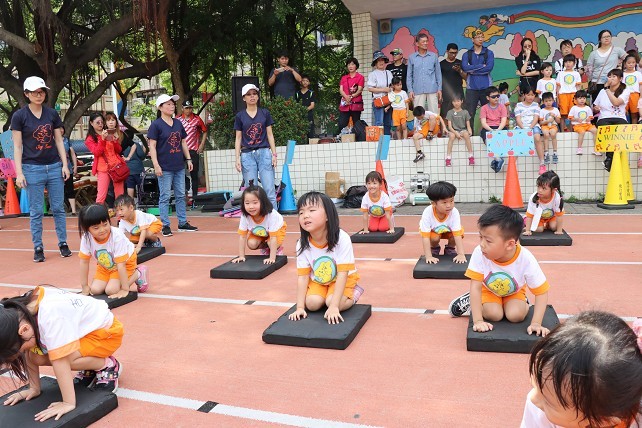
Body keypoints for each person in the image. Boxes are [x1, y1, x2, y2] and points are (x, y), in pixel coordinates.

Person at [0, 286, 124, 422]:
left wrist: (68, 403)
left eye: (19, 350)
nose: (21, 353)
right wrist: (33, 388)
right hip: (84, 332)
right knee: (35, 356)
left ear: (24, 330)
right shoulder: (18, 315)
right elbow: (29, 352)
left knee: (64, 359)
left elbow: (60, 361)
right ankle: (89, 365)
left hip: (106, 334)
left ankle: (107, 365)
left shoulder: (51, 318)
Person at [521, 311, 642, 428]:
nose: (534, 398)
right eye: (535, 383)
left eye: (549, 403)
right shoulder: (539, 412)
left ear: (602, 421)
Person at [448, 204, 550, 338]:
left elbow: (541, 292)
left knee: (516, 316)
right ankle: (471, 301)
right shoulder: (480, 252)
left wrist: (536, 323)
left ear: (510, 244)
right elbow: (476, 287)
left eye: (488, 240)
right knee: (494, 315)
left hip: (514, 291)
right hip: (488, 290)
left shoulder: (526, 259)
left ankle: (522, 301)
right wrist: (478, 321)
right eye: (480, 237)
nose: (482, 244)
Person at [11, 76, 71, 262]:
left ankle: (63, 243)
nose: (39, 95)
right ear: (26, 94)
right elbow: (17, 146)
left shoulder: (51, 114)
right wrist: (19, 173)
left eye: (42, 91)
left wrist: (65, 164)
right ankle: (38, 246)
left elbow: (59, 140)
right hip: (32, 168)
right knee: (36, 211)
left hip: (54, 167)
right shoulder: (19, 116)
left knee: (58, 208)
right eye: (35, 92)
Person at [288, 192, 364, 324]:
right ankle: (327, 296)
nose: (305, 215)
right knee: (311, 304)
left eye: (312, 210)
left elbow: (342, 273)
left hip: (343, 278)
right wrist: (300, 307)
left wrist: (334, 307)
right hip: (319, 280)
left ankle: (353, 295)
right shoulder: (302, 243)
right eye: (301, 212)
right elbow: (303, 277)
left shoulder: (342, 238)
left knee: (332, 302)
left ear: (328, 215)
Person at [148, 94, 198, 236]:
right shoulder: (156, 125)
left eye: (172, 104)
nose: (172, 106)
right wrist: (156, 165)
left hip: (178, 165)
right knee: (164, 196)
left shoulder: (178, 123)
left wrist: (188, 159)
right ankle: (165, 225)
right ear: (160, 107)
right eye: (168, 104)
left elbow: (183, 142)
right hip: (164, 167)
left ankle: (182, 223)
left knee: (181, 194)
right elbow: (152, 146)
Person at [78, 204, 149, 296]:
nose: (102, 230)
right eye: (96, 228)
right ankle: (112, 279)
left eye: (105, 224)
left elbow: (121, 264)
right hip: (105, 265)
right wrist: (84, 286)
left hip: (125, 263)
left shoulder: (117, 236)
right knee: (95, 290)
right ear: (87, 229)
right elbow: (84, 262)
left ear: (109, 221)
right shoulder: (86, 238)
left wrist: (125, 289)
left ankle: (138, 273)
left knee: (111, 290)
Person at [233, 84, 278, 208]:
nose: (252, 96)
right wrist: (237, 158)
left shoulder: (265, 113)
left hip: (264, 153)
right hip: (247, 155)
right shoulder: (240, 116)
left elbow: (270, 134)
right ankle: (254, 218)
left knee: (269, 190)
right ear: (244, 98)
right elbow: (238, 138)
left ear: (258, 96)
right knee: (251, 192)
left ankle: (273, 218)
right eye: (248, 94)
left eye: (254, 94)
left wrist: (274, 154)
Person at [231, 186, 286, 265]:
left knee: (271, 243)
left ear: (263, 202)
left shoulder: (271, 215)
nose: (251, 207)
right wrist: (241, 256)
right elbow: (242, 236)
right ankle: (266, 247)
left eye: (255, 202)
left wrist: (272, 258)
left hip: (276, 231)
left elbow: (273, 237)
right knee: (251, 244)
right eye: (247, 203)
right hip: (260, 232)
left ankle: (277, 249)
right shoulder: (245, 215)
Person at [419, 181, 466, 264]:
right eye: (444, 202)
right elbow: (425, 236)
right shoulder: (427, 213)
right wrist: (428, 256)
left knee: (459, 233)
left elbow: (457, 234)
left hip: (448, 231)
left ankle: (450, 248)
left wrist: (461, 254)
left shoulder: (454, 212)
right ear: (434, 203)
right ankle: (434, 248)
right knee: (434, 238)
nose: (449, 205)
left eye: (451, 201)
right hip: (434, 232)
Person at [85, 112, 125, 207]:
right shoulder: (90, 139)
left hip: (116, 166)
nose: (100, 124)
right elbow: (97, 152)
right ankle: (98, 215)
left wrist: (115, 141)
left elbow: (118, 150)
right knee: (101, 195)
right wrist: (102, 139)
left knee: (120, 194)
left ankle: (121, 215)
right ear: (91, 123)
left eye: (102, 122)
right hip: (103, 168)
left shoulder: (108, 132)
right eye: (97, 122)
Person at [594, 68, 630, 171]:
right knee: (606, 129)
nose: (611, 79)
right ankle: (610, 159)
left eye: (614, 76)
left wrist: (608, 90)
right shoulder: (602, 91)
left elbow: (616, 103)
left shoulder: (625, 91)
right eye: (609, 76)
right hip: (604, 117)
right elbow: (595, 106)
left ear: (620, 79)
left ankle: (609, 159)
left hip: (619, 118)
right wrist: (596, 108)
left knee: (619, 130)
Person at [462, 30, 495, 132]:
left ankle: (489, 133)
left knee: (489, 112)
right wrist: (481, 66)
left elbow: (488, 68)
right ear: (472, 39)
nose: (480, 39)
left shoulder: (489, 53)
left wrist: (472, 70)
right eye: (478, 37)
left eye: (482, 37)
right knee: (470, 113)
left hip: (486, 88)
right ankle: (470, 134)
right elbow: (465, 68)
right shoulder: (467, 54)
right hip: (472, 88)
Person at [178, 100, 207, 208]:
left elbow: (205, 131)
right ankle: (183, 197)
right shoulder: (177, 119)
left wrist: (201, 145)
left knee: (194, 175)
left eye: (190, 108)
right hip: (180, 151)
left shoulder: (197, 119)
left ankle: (195, 200)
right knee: (179, 174)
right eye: (186, 108)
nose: (188, 110)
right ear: (182, 108)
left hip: (193, 150)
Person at [407, 33, 442, 116]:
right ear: (417, 44)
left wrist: (439, 89)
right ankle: (419, 126)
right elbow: (409, 76)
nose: (426, 43)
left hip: (432, 89)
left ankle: (434, 125)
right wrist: (410, 90)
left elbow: (438, 74)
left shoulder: (433, 56)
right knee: (418, 114)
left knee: (434, 114)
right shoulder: (412, 57)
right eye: (423, 41)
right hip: (417, 89)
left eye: (426, 41)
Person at [586, 29, 627, 101]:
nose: (606, 38)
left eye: (608, 36)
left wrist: (620, 67)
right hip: (597, 83)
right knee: (597, 104)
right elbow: (588, 69)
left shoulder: (617, 50)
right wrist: (592, 79)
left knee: (612, 103)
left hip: (613, 82)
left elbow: (629, 60)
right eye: (604, 37)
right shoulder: (594, 53)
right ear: (599, 40)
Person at [523, 171, 564, 236]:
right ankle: (524, 221)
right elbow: (530, 215)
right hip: (537, 217)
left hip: (551, 217)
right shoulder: (534, 198)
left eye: (544, 188)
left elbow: (559, 215)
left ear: (554, 190)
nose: (539, 190)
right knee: (540, 230)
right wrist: (528, 230)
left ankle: (548, 225)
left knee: (554, 227)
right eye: (538, 186)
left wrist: (559, 231)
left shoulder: (557, 198)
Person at [514, 88, 545, 174]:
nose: (530, 97)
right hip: (521, 126)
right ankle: (513, 164)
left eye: (532, 95)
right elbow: (518, 119)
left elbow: (536, 118)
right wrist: (523, 129)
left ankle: (542, 163)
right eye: (528, 95)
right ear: (524, 95)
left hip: (533, 126)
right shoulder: (518, 105)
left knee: (537, 138)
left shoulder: (536, 105)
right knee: (516, 140)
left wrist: (530, 128)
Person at [480, 86, 508, 172]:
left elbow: (503, 120)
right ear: (487, 98)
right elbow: (483, 123)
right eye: (493, 97)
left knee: (506, 135)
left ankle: (497, 160)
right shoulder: (484, 108)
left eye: (497, 96)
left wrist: (498, 130)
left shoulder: (502, 107)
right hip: (488, 127)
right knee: (486, 138)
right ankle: (498, 159)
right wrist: (491, 131)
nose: (496, 98)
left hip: (500, 127)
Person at [368, 50, 394, 136]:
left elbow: (392, 85)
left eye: (382, 60)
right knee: (379, 122)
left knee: (388, 123)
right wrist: (383, 89)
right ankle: (378, 140)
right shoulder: (372, 74)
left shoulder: (389, 73)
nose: (381, 62)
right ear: (375, 63)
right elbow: (370, 88)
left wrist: (390, 89)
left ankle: (387, 140)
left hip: (388, 100)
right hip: (378, 100)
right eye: (378, 60)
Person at [338, 57, 365, 134]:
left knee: (356, 124)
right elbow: (341, 90)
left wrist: (352, 96)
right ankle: (343, 137)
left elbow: (360, 89)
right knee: (341, 123)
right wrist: (346, 97)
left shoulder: (360, 77)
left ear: (356, 66)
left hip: (356, 104)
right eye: (349, 64)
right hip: (345, 104)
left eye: (352, 64)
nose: (350, 66)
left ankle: (356, 138)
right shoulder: (344, 78)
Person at [445, 95, 474, 166]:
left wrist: (470, 131)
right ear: (452, 102)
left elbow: (468, 125)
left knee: (466, 134)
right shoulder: (450, 112)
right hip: (453, 130)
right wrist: (456, 133)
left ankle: (471, 156)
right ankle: (448, 158)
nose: (456, 103)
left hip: (462, 130)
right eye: (454, 101)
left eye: (458, 101)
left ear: (462, 101)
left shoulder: (465, 112)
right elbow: (450, 127)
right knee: (452, 136)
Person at [555, 55, 582, 132]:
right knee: (563, 115)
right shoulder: (560, 74)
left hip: (573, 95)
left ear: (574, 63)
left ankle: (572, 131)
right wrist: (557, 98)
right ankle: (562, 132)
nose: (568, 64)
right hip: (563, 95)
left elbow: (578, 86)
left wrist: (579, 97)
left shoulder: (576, 74)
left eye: (570, 62)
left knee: (572, 114)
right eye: (566, 62)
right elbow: (558, 87)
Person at [440, 43, 467, 118]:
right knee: (445, 115)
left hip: (458, 92)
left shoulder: (460, 63)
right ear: (447, 51)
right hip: (446, 93)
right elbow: (438, 80)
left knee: (461, 115)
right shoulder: (441, 64)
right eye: (451, 53)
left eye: (455, 53)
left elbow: (466, 78)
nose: (453, 55)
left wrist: (459, 70)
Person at [568, 90, 598, 155]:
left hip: (587, 125)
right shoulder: (574, 108)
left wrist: (589, 118)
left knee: (595, 130)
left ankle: (596, 149)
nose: (582, 100)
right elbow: (570, 118)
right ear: (576, 99)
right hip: (578, 125)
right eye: (580, 98)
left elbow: (591, 116)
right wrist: (576, 119)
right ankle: (579, 148)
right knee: (582, 132)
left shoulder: (587, 108)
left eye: (584, 98)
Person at [122, 133, 149, 199]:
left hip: (128, 169)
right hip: (138, 169)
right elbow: (141, 155)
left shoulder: (122, 145)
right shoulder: (136, 144)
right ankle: (141, 200)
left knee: (130, 186)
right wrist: (144, 146)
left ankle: (130, 201)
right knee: (140, 185)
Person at [539, 92, 561, 166]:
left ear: (553, 101)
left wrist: (554, 116)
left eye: (550, 100)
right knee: (546, 134)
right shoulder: (542, 110)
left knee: (553, 134)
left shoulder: (556, 110)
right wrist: (547, 121)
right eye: (546, 101)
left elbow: (558, 121)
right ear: (543, 102)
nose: (548, 102)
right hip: (545, 126)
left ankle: (555, 153)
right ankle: (546, 153)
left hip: (553, 125)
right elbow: (540, 122)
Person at [61, 126, 78, 215]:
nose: (60, 130)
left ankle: (73, 210)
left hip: (68, 168)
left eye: (62, 128)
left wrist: (75, 166)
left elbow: (72, 154)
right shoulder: (51, 140)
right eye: (58, 128)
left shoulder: (66, 140)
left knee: (70, 188)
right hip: (56, 169)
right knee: (58, 189)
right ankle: (60, 209)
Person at [295, 74, 316, 139]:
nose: (305, 82)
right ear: (300, 82)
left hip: (309, 115)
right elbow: (295, 105)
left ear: (309, 83)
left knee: (310, 133)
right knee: (299, 134)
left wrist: (304, 110)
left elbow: (312, 105)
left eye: (307, 81)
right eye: (303, 80)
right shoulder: (297, 93)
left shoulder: (311, 93)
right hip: (299, 116)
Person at [623, 54, 642, 124]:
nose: (631, 64)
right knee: (624, 112)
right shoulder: (622, 74)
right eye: (629, 63)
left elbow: (640, 86)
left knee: (634, 114)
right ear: (625, 64)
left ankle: (634, 127)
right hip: (624, 95)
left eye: (633, 62)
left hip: (635, 95)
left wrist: (641, 96)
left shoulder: (638, 73)